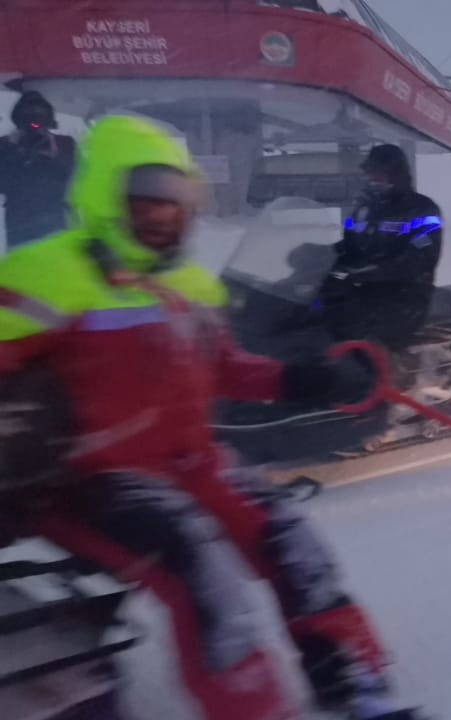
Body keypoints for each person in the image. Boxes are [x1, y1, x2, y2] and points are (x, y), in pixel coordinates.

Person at [0, 116, 421, 719]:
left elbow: (224, 368)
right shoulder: (48, 275)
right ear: (105, 197)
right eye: (149, 203)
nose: (166, 219)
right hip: (89, 481)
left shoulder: (189, 286)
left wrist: (307, 378)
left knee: (294, 545)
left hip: (193, 464)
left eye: (179, 205)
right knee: (206, 573)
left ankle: (356, 687)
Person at [321, 143, 443, 355]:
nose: (373, 178)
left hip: (405, 295)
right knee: (314, 316)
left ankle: (373, 380)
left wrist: (368, 272)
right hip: (360, 288)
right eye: (370, 172)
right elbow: (349, 246)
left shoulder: (422, 208)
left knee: (361, 343)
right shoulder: (365, 208)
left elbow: (420, 259)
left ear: (396, 173)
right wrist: (319, 254)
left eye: (379, 173)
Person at [0, 91, 76, 249]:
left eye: (39, 115)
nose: (34, 123)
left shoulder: (64, 144)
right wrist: (14, 151)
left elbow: (74, 180)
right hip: (20, 222)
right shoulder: (6, 146)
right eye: (28, 116)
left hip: (53, 220)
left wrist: (54, 156)